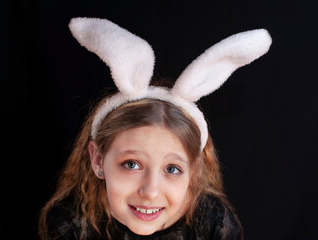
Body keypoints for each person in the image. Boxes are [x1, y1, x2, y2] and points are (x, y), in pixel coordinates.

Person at [38, 17, 272, 240]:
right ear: (98, 160)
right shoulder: (70, 223)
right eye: (132, 164)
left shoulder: (213, 224)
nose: (150, 191)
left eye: (172, 169)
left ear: (193, 171)